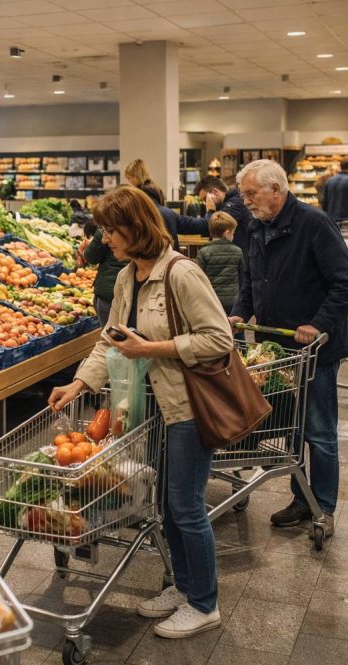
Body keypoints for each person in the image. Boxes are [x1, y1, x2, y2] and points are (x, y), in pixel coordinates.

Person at [49, 186, 233, 639]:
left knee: (186, 506)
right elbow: (110, 338)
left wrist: (152, 347)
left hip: (187, 406)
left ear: (136, 228)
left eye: (112, 230)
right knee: (168, 506)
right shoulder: (130, 276)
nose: (105, 239)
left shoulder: (182, 274)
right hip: (150, 409)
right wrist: (79, 383)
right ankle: (184, 587)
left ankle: (205, 604)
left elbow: (219, 339)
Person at [229, 159, 348, 535]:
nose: (246, 201)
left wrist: (317, 324)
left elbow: (346, 284)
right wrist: (240, 313)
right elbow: (252, 281)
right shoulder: (257, 227)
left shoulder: (314, 224)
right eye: (243, 194)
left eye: (251, 194)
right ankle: (301, 498)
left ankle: (323, 507)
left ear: (277, 190)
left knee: (319, 430)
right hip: (276, 350)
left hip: (314, 350)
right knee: (294, 426)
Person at [124, 158, 205, 243]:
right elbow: (198, 226)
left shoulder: (136, 213)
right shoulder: (168, 213)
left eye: (129, 178)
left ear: (136, 178)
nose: (128, 183)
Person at [195, 211, 243, 316]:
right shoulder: (238, 251)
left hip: (211, 300)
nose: (233, 236)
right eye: (233, 233)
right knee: (235, 330)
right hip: (233, 302)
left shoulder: (203, 252)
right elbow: (242, 277)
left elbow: (198, 278)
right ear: (227, 233)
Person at [82, 220, 127, 327]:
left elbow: (91, 256)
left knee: (111, 335)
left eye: (109, 231)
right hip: (114, 291)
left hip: (108, 293)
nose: (105, 239)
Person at [191, 176, 253, 255]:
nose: (205, 203)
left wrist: (210, 210)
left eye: (205, 199)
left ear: (215, 192)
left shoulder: (234, 203)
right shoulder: (227, 203)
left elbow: (213, 228)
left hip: (240, 259)